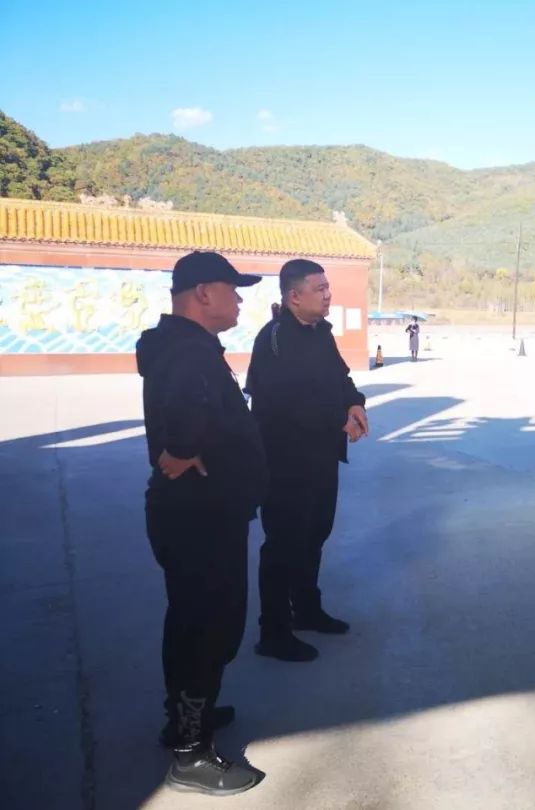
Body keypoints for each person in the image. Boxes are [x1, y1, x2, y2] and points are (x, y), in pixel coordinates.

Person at [136, 251, 266, 795]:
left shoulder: (181, 346)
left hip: (198, 513)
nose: (239, 299)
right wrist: (184, 448)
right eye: (233, 289)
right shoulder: (190, 351)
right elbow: (189, 411)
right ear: (203, 293)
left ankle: (185, 719)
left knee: (191, 622)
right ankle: (191, 755)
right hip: (202, 516)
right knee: (208, 629)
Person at [246, 259, 369, 662]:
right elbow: (283, 403)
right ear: (294, 296)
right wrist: (340, 419)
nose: (328, 294)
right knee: (282, 544)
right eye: (319, 288)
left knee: (315, 534)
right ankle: (274, 631)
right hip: (284, 462)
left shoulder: (320, 333)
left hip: (321, 457)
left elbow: (340, 379)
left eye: (328, 287)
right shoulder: (276, 339)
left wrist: (354, 404)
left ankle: (307, 610)